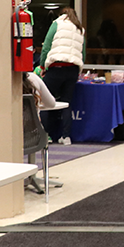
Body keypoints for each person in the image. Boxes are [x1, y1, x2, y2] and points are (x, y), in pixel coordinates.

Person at [40, 7, 86, 145]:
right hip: (72, 69)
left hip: (56, 66)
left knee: (46, 101)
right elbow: (82, 52)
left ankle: (46, 135)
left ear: (62, 15)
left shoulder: (57, 23)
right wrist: (78, 69)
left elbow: (46, 46)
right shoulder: (80, 29)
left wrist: (42, 66)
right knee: (66, 102)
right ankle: (66, 137)